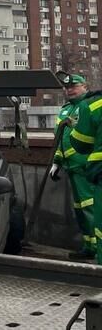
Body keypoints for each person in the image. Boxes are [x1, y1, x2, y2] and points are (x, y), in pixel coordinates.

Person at [64, 74, 102, 264]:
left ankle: (94, 248)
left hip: (87, 167)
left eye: (74, 86)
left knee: (91, 209)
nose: (70, 90)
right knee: (81, 209)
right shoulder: (66, 110)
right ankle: (89, 246)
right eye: (67, 87)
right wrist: (57, 161)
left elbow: (81, 141)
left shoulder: (90, 106)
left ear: (85, 87)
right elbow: (59, 139)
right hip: (72, 167)